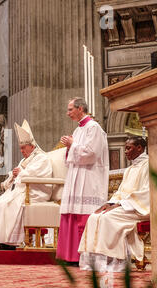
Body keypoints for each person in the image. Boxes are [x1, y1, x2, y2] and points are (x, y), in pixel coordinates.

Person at [78, 137, 149, 272]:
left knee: (107, 218)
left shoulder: (149, 165)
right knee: (95, 216)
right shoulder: (130, 169)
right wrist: (110, 203)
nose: (126, 151)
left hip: (139, 208)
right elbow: (121, 191)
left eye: (129, 148)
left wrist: (121, 204)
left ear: (139, 148)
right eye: (126, 148)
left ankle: (114, 261)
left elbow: (147, 192)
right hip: (126, 206)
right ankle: (96, 263)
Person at [0, 119, 53, 250]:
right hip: (20, 190)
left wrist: (21, 172)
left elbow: (37, 174)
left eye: (23, 148)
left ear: (31, 146)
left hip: (35, 192)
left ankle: (9, 242)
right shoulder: (25, 160)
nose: (21, 151)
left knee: (5, 204)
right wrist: (14, 175)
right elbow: (17, 176)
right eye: (20, 148)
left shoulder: (42, 158)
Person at [56, 97, 109, 264]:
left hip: (89, 177)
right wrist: (70, 147)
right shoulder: (79, 130)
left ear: (80, 109)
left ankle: (84, 257)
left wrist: (73, 145)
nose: (68, 113)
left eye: (70, 109)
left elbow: (92, 154)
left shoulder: (94, 128)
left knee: (84, 214)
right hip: (76, 175)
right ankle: (70, 255)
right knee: (72, 212)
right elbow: (73, 155)